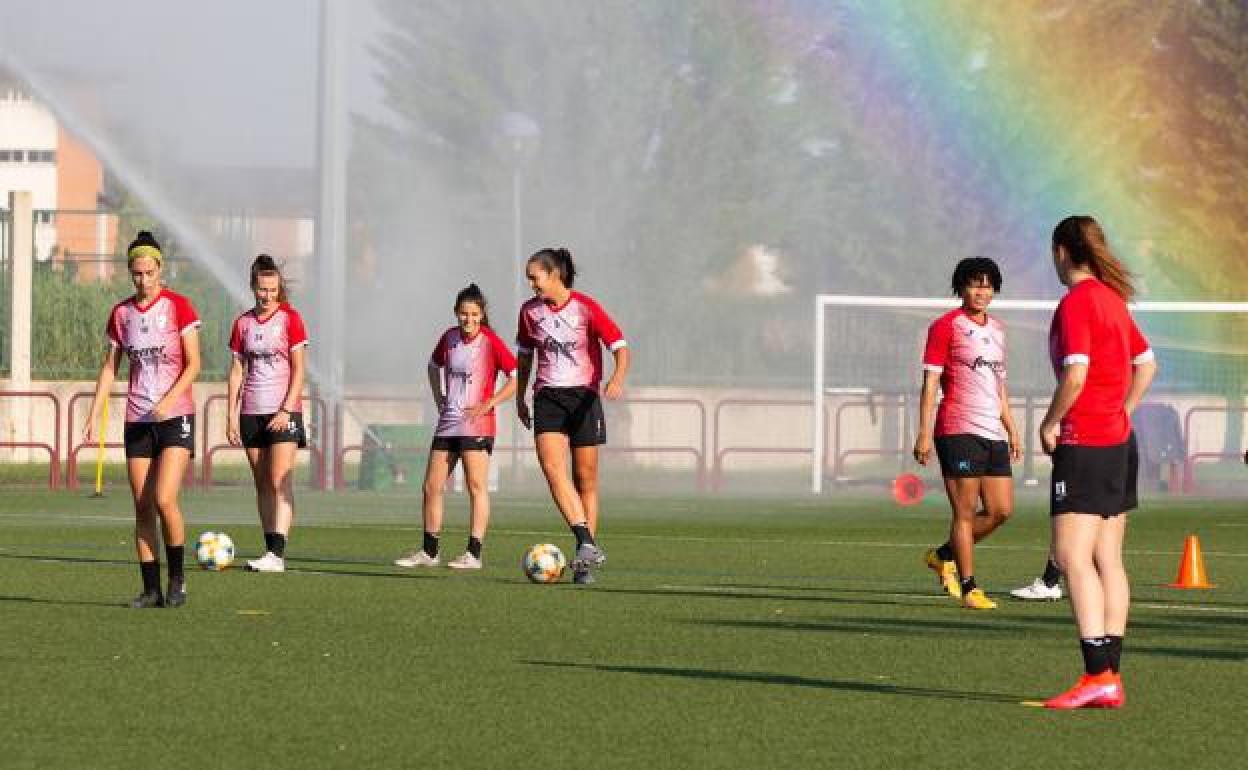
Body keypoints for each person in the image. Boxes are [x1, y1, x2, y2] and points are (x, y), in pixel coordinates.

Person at [1040, 215, 1156, 709]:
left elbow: (1076, 375)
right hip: (1118, 442)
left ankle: (1096, 676)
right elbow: (1148, 364)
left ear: (1063, 251)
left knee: (1071, 557)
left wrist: (1049, 423)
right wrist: (1124, 412)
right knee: (1108, 558)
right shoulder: (1114, 300)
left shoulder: (1077, 303)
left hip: (1085, 440)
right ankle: (1110, 675)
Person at [85, 231, 201, 608]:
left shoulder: (179, 307)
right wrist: (92, 412)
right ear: (129, 272)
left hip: (175, 416)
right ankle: (151, 589)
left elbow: (195, 363)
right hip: (137, 419)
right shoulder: (121, 314)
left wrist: (169, 399)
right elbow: (108, 369)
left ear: (159, 270)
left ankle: (178, 580)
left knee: (165, 499)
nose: (143, 280)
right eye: (136, 273)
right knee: (141, 504)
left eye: (149, 273)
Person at [514, 248, 629, 585]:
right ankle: (586, 543)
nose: (531, 285)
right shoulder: (529, 313)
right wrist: (520, 397)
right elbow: (524, 359)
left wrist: (617, 378)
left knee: (585, 480)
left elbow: (620, 345)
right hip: (547, 397)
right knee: (552, 468)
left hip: (584, 398)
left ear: (554, 275)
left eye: (535, 278)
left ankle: (584, 566)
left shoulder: (586, 307)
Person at [915, 257, 1020, 610]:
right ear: (961, 287)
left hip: (993, 431)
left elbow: (999, 385)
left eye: (988, 285)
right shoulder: (945, 326)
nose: (982, 291)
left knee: (1001, 510)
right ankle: (970, 586)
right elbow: (930, 383)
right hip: (957, 428)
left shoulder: (1000, 330)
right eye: (975, 284)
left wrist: (1012, 428)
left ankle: (943, 555)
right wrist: (923, 433)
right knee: (964, 511)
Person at [395, 284, 517, 570]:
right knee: (431, 487)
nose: (469, 319)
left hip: (477, 426)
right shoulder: (448, 338)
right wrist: (440, 398)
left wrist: (489, 404)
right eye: (464, 314)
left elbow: (516, 377)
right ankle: (429, 551)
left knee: (476, 487)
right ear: (456, 314)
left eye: (474, 314)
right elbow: (432, 366)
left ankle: (473, 554)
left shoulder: (490, 341)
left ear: (482, 314)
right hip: (448, 423)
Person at [226, 255, 310, 573]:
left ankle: (278, 553)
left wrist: (287, 409)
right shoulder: (243, 324)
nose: (268, 295)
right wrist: (231, 415)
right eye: (263, 289)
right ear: (253, 287)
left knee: (279, 478)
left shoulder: (291, 319)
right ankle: (268, 550)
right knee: (262, 482)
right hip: (251, 411)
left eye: (273, 290)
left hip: (283, 412)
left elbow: (300, 369)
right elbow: (236, 371)